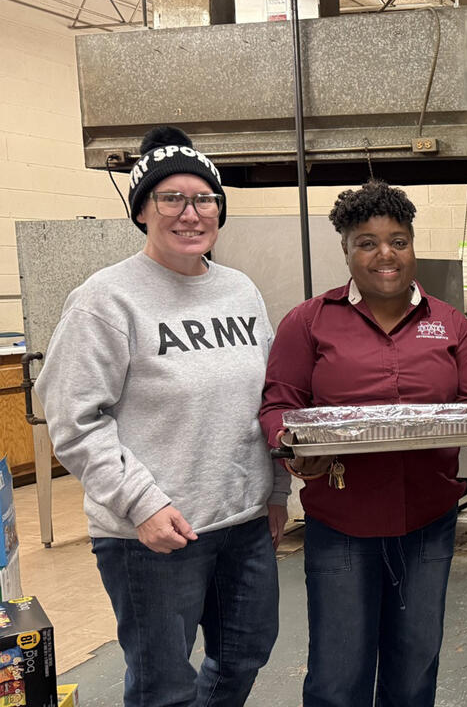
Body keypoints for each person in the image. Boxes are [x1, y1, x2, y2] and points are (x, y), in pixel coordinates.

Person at [36, 126, 287, 707]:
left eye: (204, 199)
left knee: (247, 650)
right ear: (143, 209)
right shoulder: (107, 299)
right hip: (150, 535)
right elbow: (73, 419)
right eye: (171, 198)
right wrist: (141, 503)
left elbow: (265, 398)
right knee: (162, 684)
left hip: (241, 521)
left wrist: (276, 490)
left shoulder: (239, 290)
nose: (190, 213)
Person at [258, 180, 467, 706]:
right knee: (338, 674)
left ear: (413, 244)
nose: (385, 255)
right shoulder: (309, 322)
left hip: (428, 521)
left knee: (415, 668)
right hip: (342, 523)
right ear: (347, 250)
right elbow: (277, 405)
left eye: (398, 240)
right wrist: (298, 446)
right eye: (367, 242)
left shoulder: (448, 323)